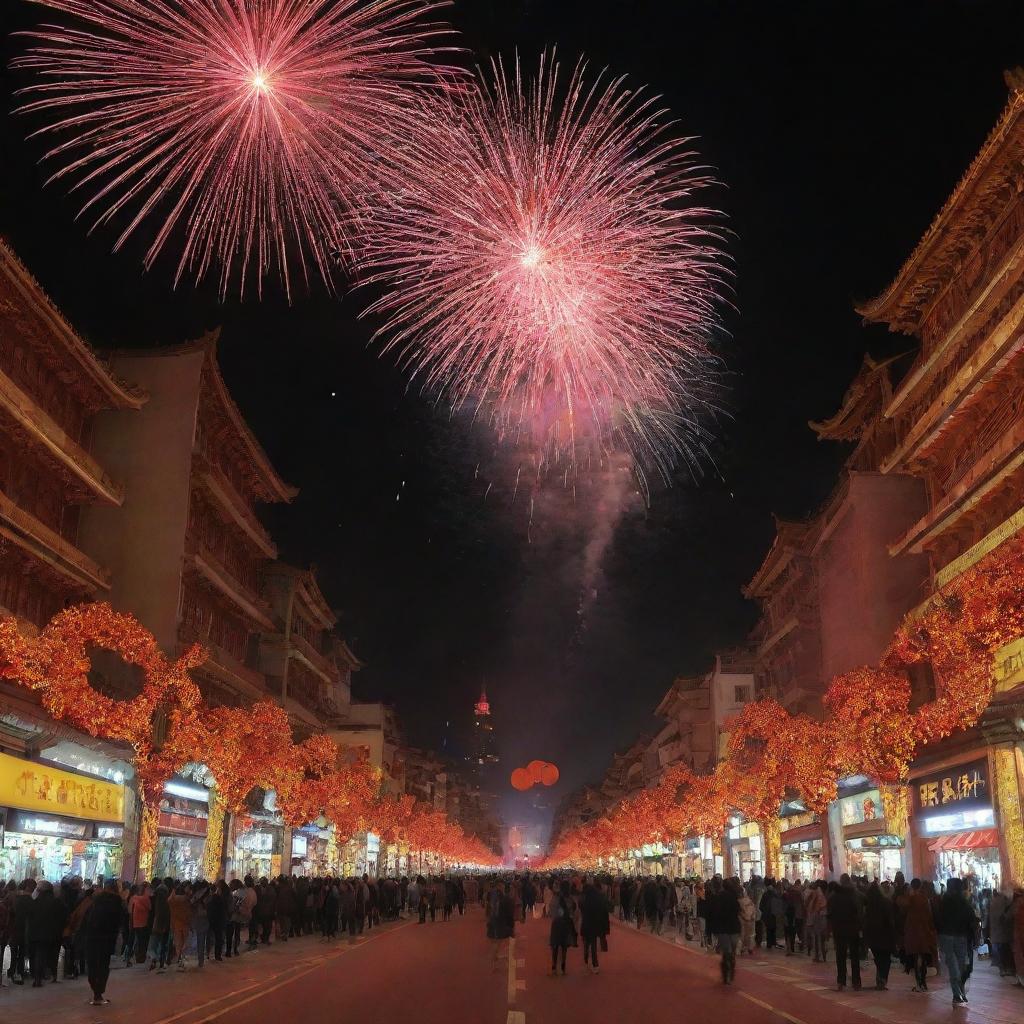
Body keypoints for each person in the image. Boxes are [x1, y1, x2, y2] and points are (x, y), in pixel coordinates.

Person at [935, 877, 978, 1007]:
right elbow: (972, 919)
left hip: (947, 935)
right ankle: (958, 992)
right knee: (959, 965)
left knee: (953, 965)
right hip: (960, 936)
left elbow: (937, 918)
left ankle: (957, 993)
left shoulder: (943, 902)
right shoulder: (964, 902)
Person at [85, 879, 122, 1006]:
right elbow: (119, 921)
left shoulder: (95, 900)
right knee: (103, 965)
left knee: (93, 964)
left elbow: (88, 919)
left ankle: (95, 990)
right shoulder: (117, 902)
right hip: (107, 938)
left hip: (92, 937)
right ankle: (98, 992)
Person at [26, 879, 66, 986]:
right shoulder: (56, 902)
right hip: (52, 933)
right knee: (51, 954)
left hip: (35, 932)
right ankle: (52, 974)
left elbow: (29, 916)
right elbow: (63, 917)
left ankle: (37, 977)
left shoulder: (35, 901)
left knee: (38, 954)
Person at [827, 874, 862, 992]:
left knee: (840, 956)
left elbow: (829, 914)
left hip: (839, 930)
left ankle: (841, 982)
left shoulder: (833, 897)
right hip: (852, 929)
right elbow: (857, 911)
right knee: (854, 956)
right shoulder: (854, 895)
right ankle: (856, 982)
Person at [904, 878, 936, 992]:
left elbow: (902, 907)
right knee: (923, 958)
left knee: (916, 959)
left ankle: (919, 983)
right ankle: (923, 983)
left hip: (913, 932)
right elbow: (929, 916)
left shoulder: (911, 899)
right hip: (924, 931)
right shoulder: (925, 899)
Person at [863, 882, 895, 990]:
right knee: (886, 959)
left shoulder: (869, 905)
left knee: (878, 958)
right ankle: (882, 979)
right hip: (885, 935)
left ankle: (880, 979)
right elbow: (890, 920)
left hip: (873, 936)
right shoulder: (886, 903)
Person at [709, 878, 742, 984]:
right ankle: (731, 971)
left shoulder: (719, 897)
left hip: (723, 928)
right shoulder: (735, 896)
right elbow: (738, 911)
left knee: (726, 952)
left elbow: (715, 913)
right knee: (731, 951)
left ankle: (726, 975)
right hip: (733, 927)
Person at [580, 879, 609, 974]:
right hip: (595, 925)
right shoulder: (599, 899)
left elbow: (582, 909)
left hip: (587, 924)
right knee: (593, 945)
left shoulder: (585, 900)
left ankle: (586, 959)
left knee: (587, 943)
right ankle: (595, 964)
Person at [548, 882, 575, 976]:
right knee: (564, 947)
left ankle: (554, 968)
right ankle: (563, 967)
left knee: (555, 946)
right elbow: (573, 912)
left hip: (556, 923)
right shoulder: (570, 899)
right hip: (566, 924)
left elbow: (551, 908)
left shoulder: (556, 897)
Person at [168, 883, 192, 970]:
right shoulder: (186, 900)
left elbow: (169, 900)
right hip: (185, 924)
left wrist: (173, 891)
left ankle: (179, 958)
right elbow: (189, 913)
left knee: (178, 943)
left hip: (176, 924)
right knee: (185, 942)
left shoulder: (173, 901)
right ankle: (182, 958)